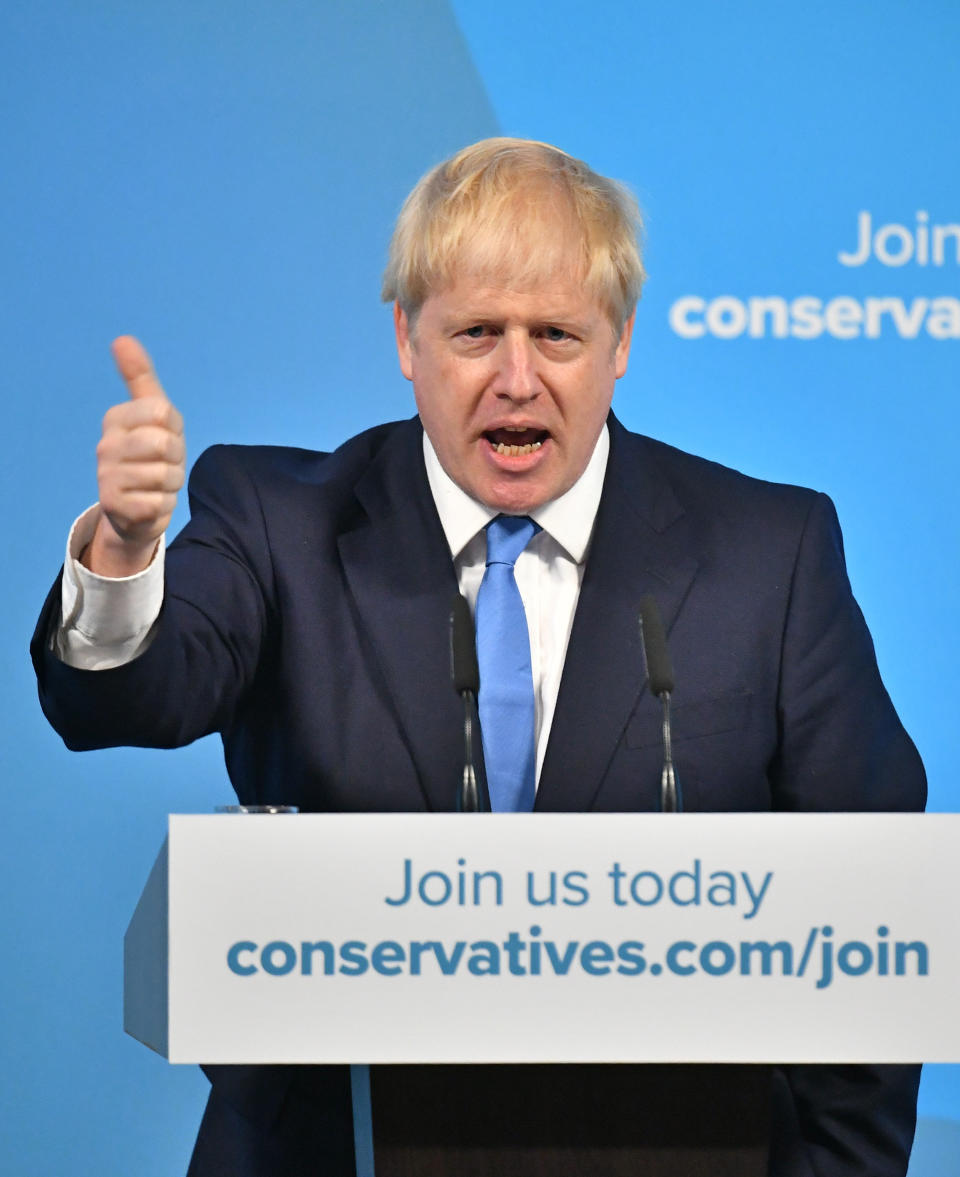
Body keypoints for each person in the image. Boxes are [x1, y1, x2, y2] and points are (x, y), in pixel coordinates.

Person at [32, 138, 925, 1176]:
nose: (516, 379)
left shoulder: (770, 553)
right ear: (406, 338)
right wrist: (126, 552)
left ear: (622, 341)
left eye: (556, 334)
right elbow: (126, 699)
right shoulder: (281, 523)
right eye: (475, 333)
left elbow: (873, 909)